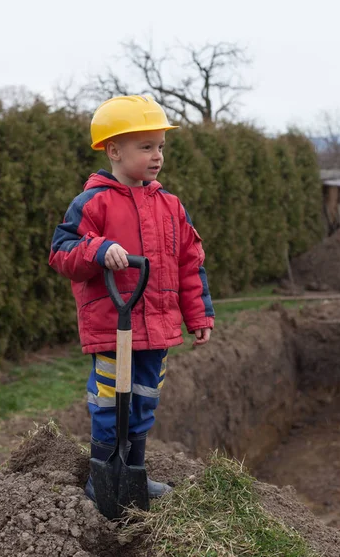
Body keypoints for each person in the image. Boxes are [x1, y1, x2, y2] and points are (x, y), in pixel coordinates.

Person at [49, 95, 215, 501]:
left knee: (143, 400)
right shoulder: (92, 202)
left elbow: (189, 264)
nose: (157, 156)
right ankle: (102, 477)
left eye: (160, 146)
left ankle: (134, 473)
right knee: (109, 402)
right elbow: (61, 252)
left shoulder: (171, 206)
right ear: (114, 150)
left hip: (156, 326)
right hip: (113, 325)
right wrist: (98, 250)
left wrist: (198, 315)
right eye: (146, 147)